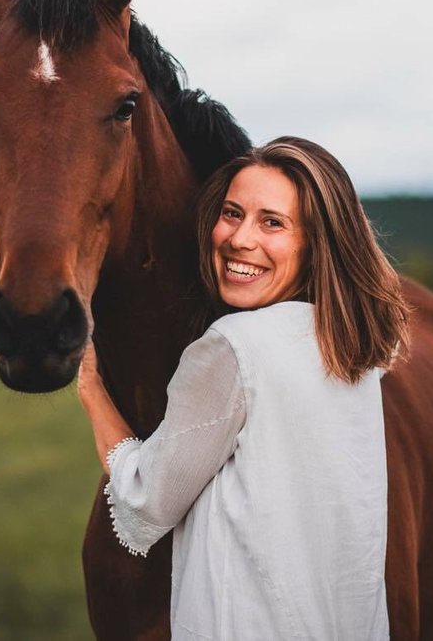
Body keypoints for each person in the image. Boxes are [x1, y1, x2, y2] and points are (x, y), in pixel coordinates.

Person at [77, 136, 411, 640]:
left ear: (316, 243)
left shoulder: (232, 347)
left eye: (272, 223)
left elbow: (148, 501)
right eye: (232, 213)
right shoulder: (352, 347)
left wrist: (90, 387)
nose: (239, 239)